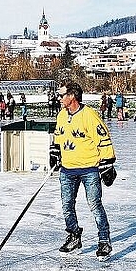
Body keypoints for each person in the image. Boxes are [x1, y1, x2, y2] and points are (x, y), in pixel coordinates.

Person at [50, 81, 117, 258]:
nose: (59, 98)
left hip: (89, 169)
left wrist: (108, 163)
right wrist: (54, 152)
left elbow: (103, 138)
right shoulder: (62, 115)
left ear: (72, 96)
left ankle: (104, 241)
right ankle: (74, 236)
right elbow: (58, 135)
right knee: (66, 206)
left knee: (95, 205)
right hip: (68, 169)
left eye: (62, 95)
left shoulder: (89, 115)